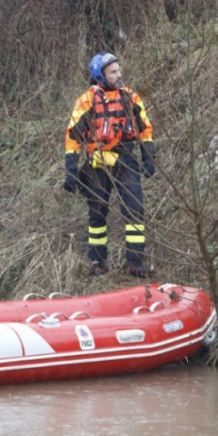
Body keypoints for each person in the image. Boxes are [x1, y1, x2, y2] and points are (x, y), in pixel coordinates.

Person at [63, 52, 155, 277]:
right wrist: (71, 169)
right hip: (97, 165)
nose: (119, 74)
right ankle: (97, 263)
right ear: (99, 76)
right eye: (113, 72)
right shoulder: (87, 100)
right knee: (97, 216)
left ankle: (136, 263)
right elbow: (73, 135)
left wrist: (148, 157)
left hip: (126, 161)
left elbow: (145, 128)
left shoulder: (130, 97)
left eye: (119, 70)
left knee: (134, 212)